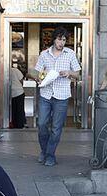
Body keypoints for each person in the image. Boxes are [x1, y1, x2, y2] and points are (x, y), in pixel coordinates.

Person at [34, 27, 81, 166]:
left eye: (64, 40)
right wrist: (39, 78)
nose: (62, 42)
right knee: (42, 124)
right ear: (54, 39)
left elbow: (77, 73)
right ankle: (45, 151)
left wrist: (69, 72)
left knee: (56, 128)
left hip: (62, 95)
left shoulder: (70, 54)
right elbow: (37, 72)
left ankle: (49, 155)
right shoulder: (44, 54)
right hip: (46, 94)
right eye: (60, 39)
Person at [10, 64, 26, 128]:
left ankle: (15, 124)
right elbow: (21, 80)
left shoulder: (7, 71)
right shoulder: (15, 70)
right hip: (19, 92)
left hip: (11, 93)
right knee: (20, 109)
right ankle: (20, 124)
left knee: (13, 109)